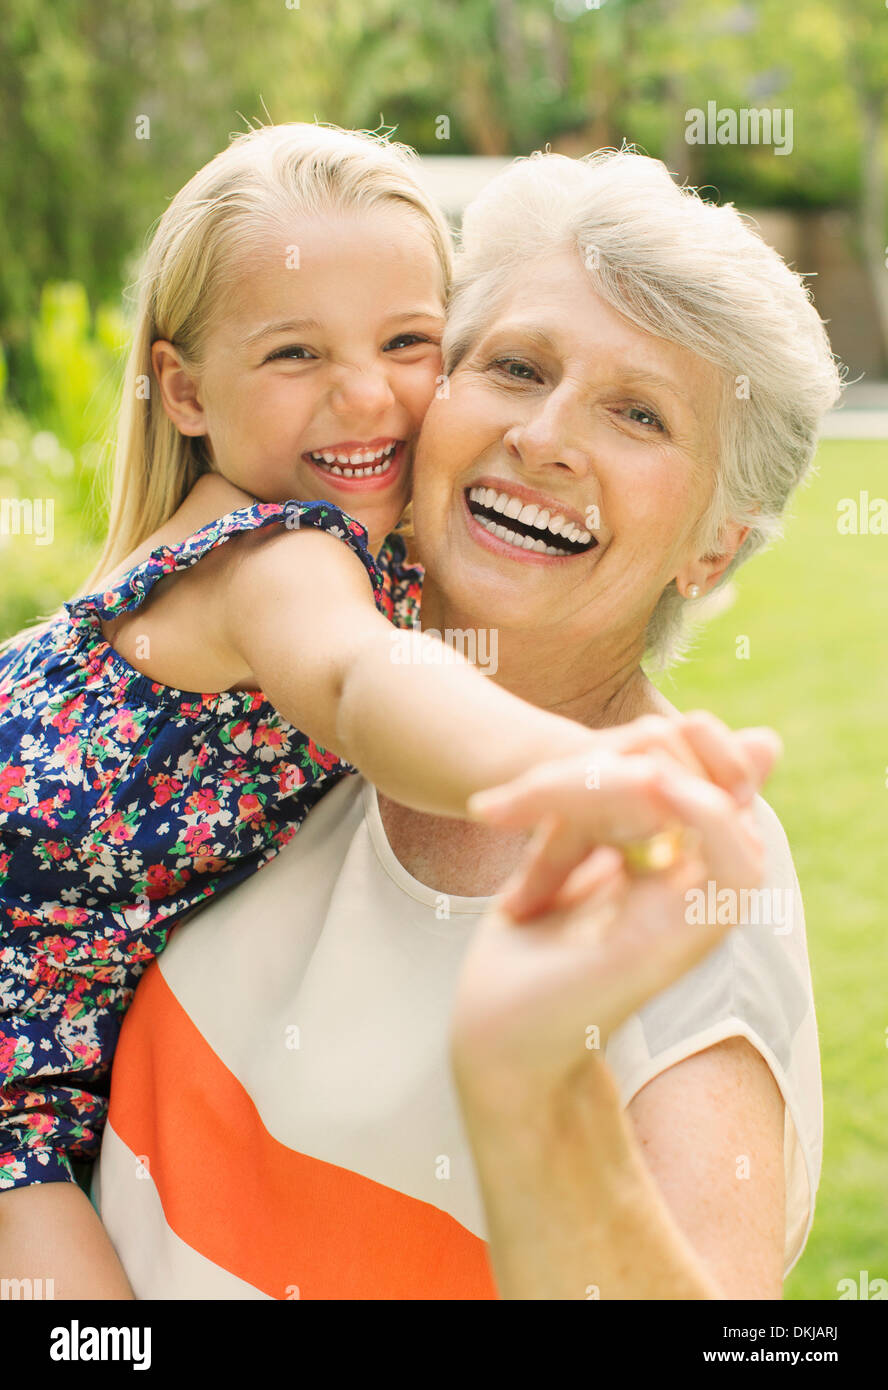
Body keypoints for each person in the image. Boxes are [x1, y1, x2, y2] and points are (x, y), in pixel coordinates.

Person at [0, 125, 754, 1281]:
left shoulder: (336, 527)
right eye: (296, 353)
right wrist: (573, 767)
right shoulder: (275, 555)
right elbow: (364, 683)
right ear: (187, 389)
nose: (364, 396)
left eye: (408, 342)